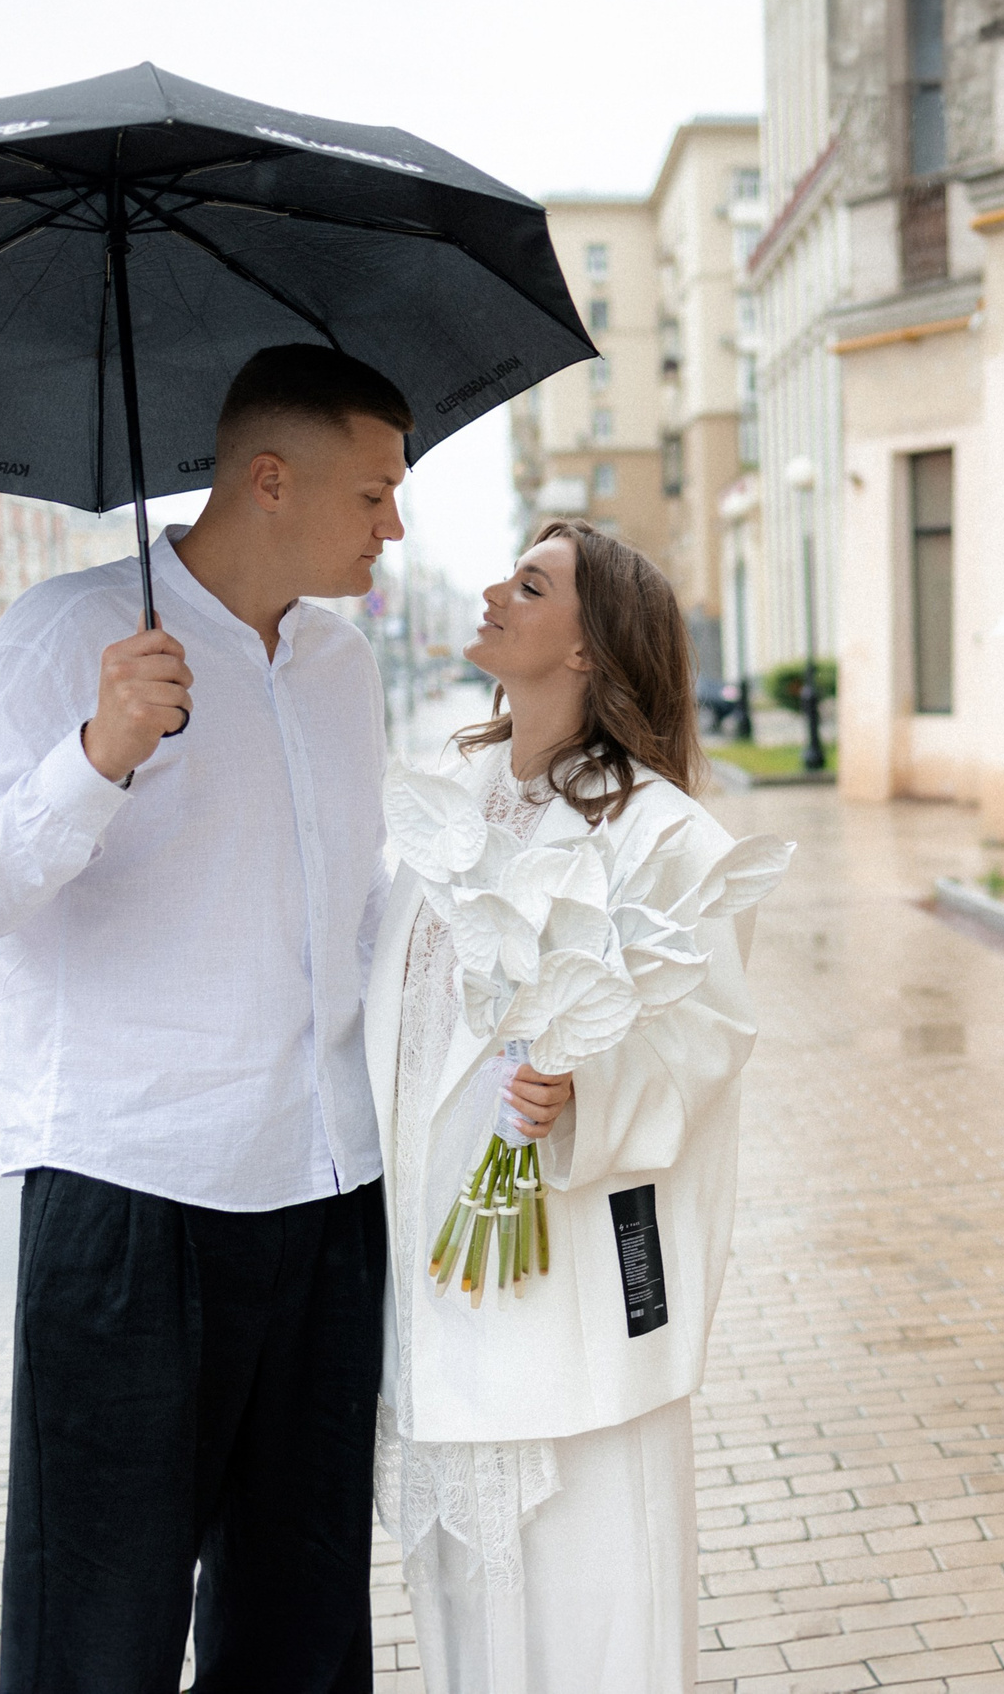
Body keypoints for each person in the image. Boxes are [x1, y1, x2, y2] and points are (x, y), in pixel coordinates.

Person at [0, 344, 410, 1689]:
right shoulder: (70, 636)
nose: (395, 527)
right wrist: (95, 759)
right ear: (269, 481)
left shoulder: (342, 666)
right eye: (372, 494)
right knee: (97, 1635)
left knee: (301, 1631)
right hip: (133, 1198)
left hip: (323, 1198)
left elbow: (360, 913)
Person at [370, 519, 784, 1693]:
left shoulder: (663, 835)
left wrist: (581, 1088)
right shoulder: (441, 806)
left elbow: (712, 1037)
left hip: (569, 1296)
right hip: (438, 1294)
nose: (497, 591)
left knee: (588, 1619)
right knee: (465, 1624)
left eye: (533, 582)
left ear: (590, 647)